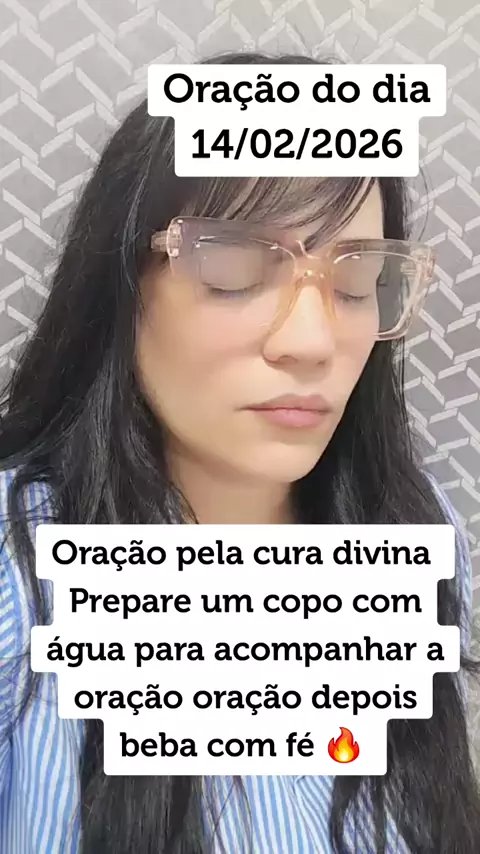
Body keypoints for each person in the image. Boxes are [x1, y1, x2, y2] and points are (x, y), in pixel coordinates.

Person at [0, 49, 479, 854]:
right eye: (235, 266)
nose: (311, 341)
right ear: (123, 283)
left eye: (356, 279)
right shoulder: (20, 572)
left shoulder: (414, 533)